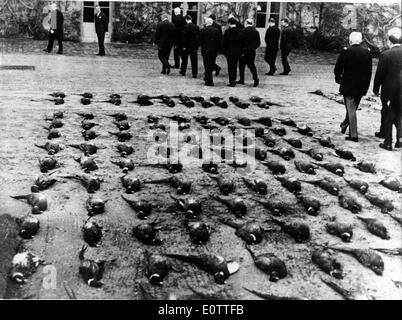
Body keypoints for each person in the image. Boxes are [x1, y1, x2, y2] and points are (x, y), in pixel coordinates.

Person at [334, 31, 372, 142]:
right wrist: (366, 86)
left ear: (350, 40)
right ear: (360, 41)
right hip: (361, 86)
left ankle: (353, 135)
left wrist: (338, 78)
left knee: (351, 109)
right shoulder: (367, 53)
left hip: (348, 84)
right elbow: (369, 72)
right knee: (352, 109)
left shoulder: (346, 51)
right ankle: (345, 124)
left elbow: (338, 67)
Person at [373, 27, 402, 150]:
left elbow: (380, 74)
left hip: (389, 90)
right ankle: (400, 140)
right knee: (400, 114)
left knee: (388, 115)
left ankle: (388, 142)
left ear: (390, 41)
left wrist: (376, 88)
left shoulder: (385, 55)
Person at [198, 17, 222, 86]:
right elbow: (219, 42)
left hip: (205, 50)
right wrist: (219, 50)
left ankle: (209, 81)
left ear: (206, 23)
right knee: (211, 64)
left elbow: (199, 41)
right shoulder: (217, 31)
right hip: (214, 51)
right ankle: (207, 78)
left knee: (207, 65)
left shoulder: (203, 30)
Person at [222, 17, 245, 87]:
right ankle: (234, 80)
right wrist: (242, 51)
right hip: (238, 52)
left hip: (229, 52)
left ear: (229, 23)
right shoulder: (240, 31)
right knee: (235, 66)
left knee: (230, 67)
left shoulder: (227, 31)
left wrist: (224, 52)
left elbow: (224, 43)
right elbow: (242, 43)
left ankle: (232, 81)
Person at [238, 19, 260, 87]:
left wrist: (241, 50)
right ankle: (255, 78)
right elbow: (258, 43)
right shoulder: (256, 32)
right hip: (252, 51)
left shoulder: (243, 31)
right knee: (252, 66)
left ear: (246, 23)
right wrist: (253, 48)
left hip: (244, 52)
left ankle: (242, 80)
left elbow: (240, 43)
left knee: (241, 66)